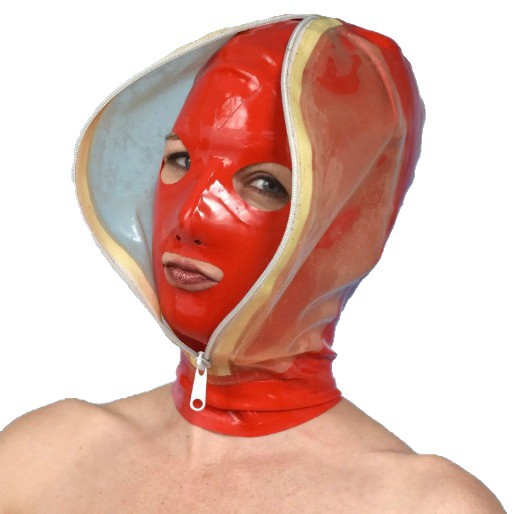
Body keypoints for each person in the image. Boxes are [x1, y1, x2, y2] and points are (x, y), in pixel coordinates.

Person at [0, 14, 506, 513]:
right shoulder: (36, 460)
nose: (191, 217)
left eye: (265, 183)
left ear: (345, 225)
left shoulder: (426, 505)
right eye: (181, 160)